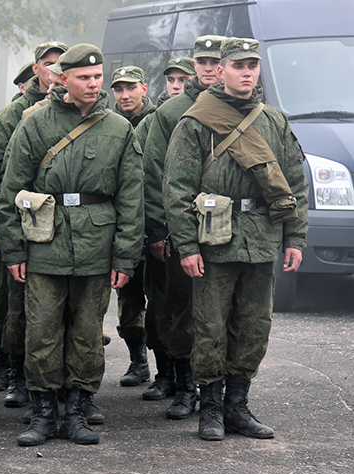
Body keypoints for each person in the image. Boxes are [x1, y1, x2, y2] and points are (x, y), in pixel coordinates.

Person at [0, 43, 144, 446]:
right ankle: (44, 413)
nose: (93, 84)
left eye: (98, 77)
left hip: (98, 246)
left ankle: (78, 409)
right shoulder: (35, 124)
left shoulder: (119, 129)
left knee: (86, 331)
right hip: (44, 244)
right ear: (63, 79)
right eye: (84, 77)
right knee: (41, 330)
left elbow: (132, 198)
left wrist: (125, 255)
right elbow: (11, 190)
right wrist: (13, 250)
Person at [164, 37, 308, 440]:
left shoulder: (274, 121)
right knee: (210, 326)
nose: (247, 72)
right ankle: (209, 408)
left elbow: (295, 183)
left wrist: (295, 238)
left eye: (253, 66)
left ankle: (237, 407)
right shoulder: (196, 121)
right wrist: (187, 247)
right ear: (221, 70)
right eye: (239, 65)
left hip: (261, 236)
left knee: (253, 326)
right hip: (215, 241)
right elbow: (176, 190)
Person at [141, 35, 226, 419]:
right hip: (183, 230)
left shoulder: (248, 111)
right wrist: (160, 231)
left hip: (230, 233)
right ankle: (183, 386)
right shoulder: (171, 111)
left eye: (215, 62)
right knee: (182, 310)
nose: (208, 68)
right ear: (194, 65)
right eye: (202, 62)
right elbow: (156, 172)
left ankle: (221, 391)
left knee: (228, 314)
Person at [0, 42, 68, 409]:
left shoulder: (78, 111)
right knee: (13, 304)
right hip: (18, 224)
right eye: (49, 64)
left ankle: (61, 379)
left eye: (61, 64)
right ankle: (14, 369)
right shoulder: (11, 116)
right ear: (37, 70)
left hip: (60, 230)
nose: (54, 70)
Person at [109, 65, 156, 388]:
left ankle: (170, 371)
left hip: (153, 224)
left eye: (130, 88)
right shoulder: (107, 125)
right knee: (129, 297)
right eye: (119, 89)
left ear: (144, 88)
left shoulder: (159, 122)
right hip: (121, 227)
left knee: (164, 299)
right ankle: (138, 360)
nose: (124, 95)